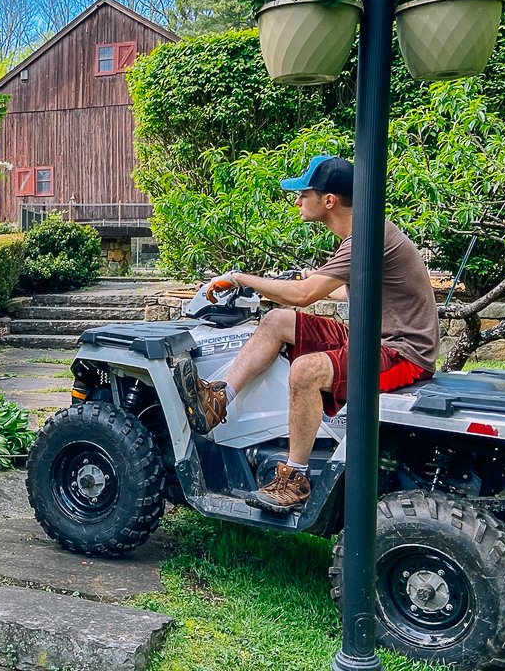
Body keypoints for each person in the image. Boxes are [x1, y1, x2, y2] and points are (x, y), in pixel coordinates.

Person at [174, 156, 439, 511]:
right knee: (277, 321)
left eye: (304, 193)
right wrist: (301, 278)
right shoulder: (365, 231)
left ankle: (295, 478)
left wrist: (240, 278)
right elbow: (346, 291)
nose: (298, 201)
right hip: (373, 337)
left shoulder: (365, 237)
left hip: (403, 353)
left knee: (306, 371)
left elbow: (305, 296)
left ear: (328, 200)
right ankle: (218, 400)